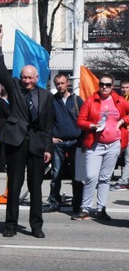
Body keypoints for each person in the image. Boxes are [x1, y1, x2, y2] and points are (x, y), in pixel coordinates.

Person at [0, 26, 53, 238]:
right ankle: (10, 225)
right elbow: (1, 70)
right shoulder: (14, 88)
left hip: (37, 145)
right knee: (15, 185)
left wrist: (48, 148)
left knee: (35, 188)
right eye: (24, 77)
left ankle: (36, 226)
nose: (27, 80)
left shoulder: (46, 96)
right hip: (16, 143)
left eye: (30, 78)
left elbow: (48, 125)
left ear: (37, 78)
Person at [73, 74, 129, 221]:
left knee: (105, 178)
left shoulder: (119, 100)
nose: (104, 87)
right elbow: (80, 121)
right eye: (102, 84)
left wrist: (123, 120)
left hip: (114, 144)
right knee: (91, 176)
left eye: (108, 85)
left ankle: (101, 208)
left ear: (112, 86)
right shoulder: (91, 100)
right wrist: (91, 125)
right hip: (95, 145)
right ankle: (85, 208)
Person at [46, 74, 84, 211]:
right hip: (58, 143)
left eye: (62, 83)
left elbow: (84, 120)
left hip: (75, 142)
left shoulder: (76, 100)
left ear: (67, 83)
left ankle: (77, 205)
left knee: (77, 175)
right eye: (57, 84)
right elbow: (47, 121)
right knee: (56, 174)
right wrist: (51, 138)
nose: (60, 86)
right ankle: (54, 203)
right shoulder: (52, 100)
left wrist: (82, 140)